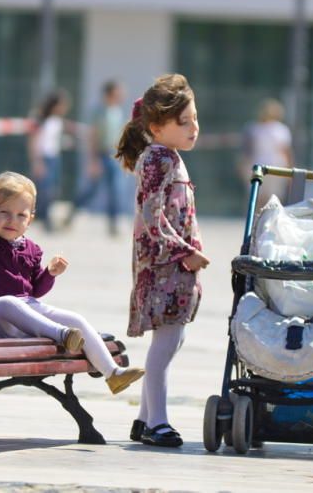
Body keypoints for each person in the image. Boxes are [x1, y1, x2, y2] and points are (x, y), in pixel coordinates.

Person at [0, 171, 145, 394]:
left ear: (30, 220)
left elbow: (35, 290)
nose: (11, 220)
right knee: (6, 303)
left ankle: (113, 373)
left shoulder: (31, 250)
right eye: (4, 212)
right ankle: (63, 335)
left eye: (20, 215)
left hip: (21, 318)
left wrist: (50, 274)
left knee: (75, 318)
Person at [115, 73, 210, 448]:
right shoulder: (158, 158)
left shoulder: (166, 156)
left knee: (174, 339)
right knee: (165, 343)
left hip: (175, 267)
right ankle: (158, 422)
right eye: (183, 122)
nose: (193, 128)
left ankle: (144, 420)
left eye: (195, 118)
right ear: (157, 127)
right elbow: (152, 217)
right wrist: (185, 252)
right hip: (164, 268)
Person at [64, 80, 126, 235]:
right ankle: (72, 213)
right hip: (101, 154)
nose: (121, 94)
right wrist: (93, 160)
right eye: (118, 91)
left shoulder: (118, 111)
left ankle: (113, 226)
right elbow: (93, 137)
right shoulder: (98, 112)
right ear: (109, 93)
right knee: (92, 189)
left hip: (114, 155)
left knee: (115, 190)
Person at [28, 90, 71, 231]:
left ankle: (43, 216)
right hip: (43, 157)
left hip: (54, 158)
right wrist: (37, 161)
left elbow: (53, 140)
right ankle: (45, 219)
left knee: (53, 190)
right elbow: (34, 141)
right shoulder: (40, 119)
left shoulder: (57, 121)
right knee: (44, 190)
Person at [240, 98, 294, 208]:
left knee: (258, 197)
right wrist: (290, 171)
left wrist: (243, 165)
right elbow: (286, 152)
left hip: (261, 166)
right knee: (272, 198)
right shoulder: (280, 129)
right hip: (276, 167)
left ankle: (257, 221)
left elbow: (247, 151)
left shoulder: (254, 128)